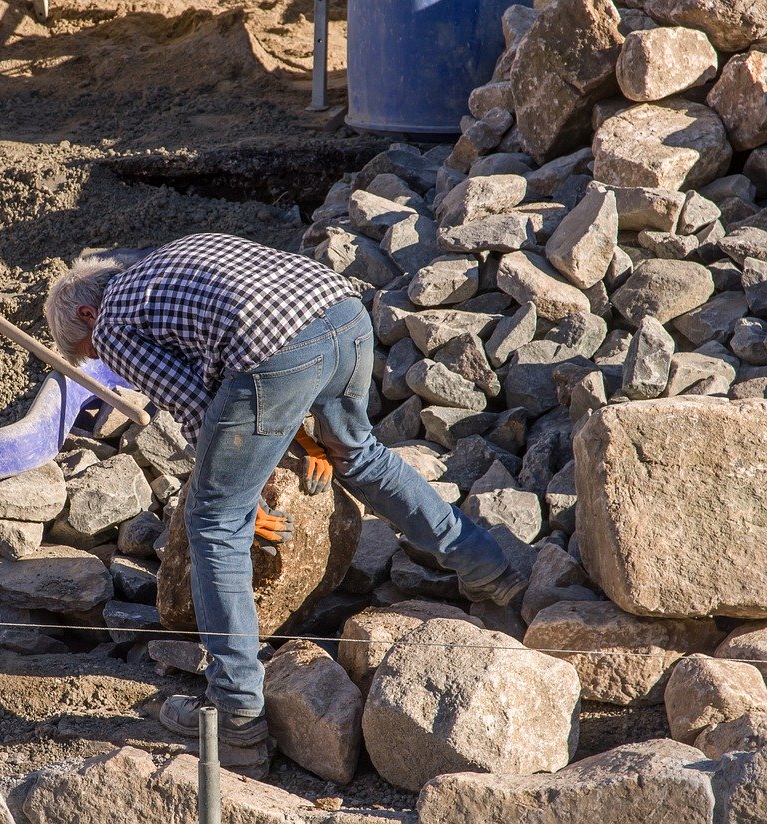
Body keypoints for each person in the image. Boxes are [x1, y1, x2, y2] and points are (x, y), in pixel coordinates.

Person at [43, 233, 526, 748]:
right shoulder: (169, 256)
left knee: (214, 522)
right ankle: (495, 578)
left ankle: (236, 722)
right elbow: (248, 389)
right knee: (361, 456)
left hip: (278, 353)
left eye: (89, 352)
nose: (104, 362)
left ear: (89, 315)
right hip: (343, 318)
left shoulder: (114, 322)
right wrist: (298, 439)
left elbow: (201, 410)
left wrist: (240, 498)